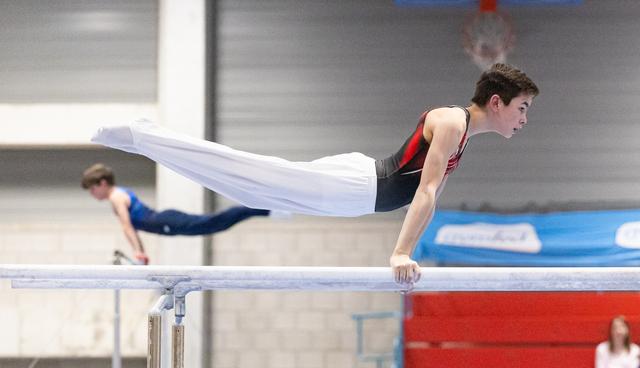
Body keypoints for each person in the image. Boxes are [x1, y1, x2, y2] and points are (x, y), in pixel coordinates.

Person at [90, 63, 539, 282]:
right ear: (496, 101)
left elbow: (427, 195)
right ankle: (143, 135)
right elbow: (425, 194)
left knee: (244, 185)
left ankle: (147, 140)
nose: (523, 118)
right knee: (244, 175)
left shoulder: (462, 133)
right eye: (522, 108)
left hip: (354, 194)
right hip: (355, 187)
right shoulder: (453, 121)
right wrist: (400, 253)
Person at [82, 163, 271, 264]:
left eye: (92, 189)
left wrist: (138, 251)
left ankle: (267, 207)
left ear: (103, 183)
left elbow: (127, 227)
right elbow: (132, 229)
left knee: (213, 222)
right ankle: (265, 208)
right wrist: (141, 252)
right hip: (165, 221)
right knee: (213, 224)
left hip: (165, 221)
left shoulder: (116, 197)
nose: (92, 194)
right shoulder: (118, 195)